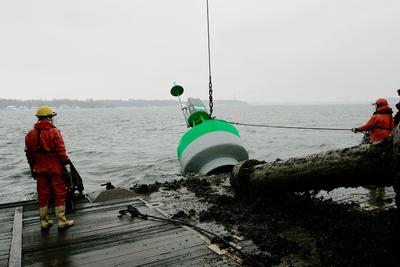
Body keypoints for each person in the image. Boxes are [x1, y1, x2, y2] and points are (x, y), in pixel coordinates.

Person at [25, 105, 74, 230]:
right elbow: (61, 151)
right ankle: (62, 221)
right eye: (52, 117)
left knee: (42, 194)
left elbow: (29, 154)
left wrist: (32, 167)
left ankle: (44, 221)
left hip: (39, 169)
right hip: (55, 168)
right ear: (49, 117)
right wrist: (66, 164)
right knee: (59, 193)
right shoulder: (54, 132)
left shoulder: (29, 134)